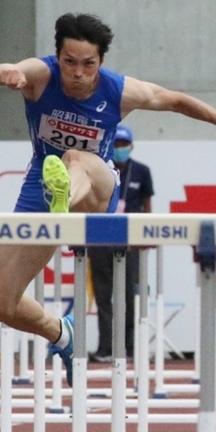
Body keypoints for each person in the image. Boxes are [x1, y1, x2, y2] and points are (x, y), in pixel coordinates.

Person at [0, 12, 216, 386]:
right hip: (41, 185)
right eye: (70, 63)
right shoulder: (39, 75)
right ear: (57, 57)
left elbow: (175, 100)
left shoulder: (119, 90)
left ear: (101, 61)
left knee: (75, 159)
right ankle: (63, 334)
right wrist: (3, 74)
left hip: (98, 184)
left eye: (89, 64)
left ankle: (63, 196)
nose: (79, 73)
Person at [88, 124, 153, 363]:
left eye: (124, 145)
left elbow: (147, 206)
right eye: (116, 144)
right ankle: (106, 346)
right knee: (103, 294)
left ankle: (129, 345)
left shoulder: (142, 172)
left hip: (130, 241)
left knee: (128, 295)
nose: (120, 149)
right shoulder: (98, 170)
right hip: (101, 238)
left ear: (131, 146)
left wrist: (144, 235)